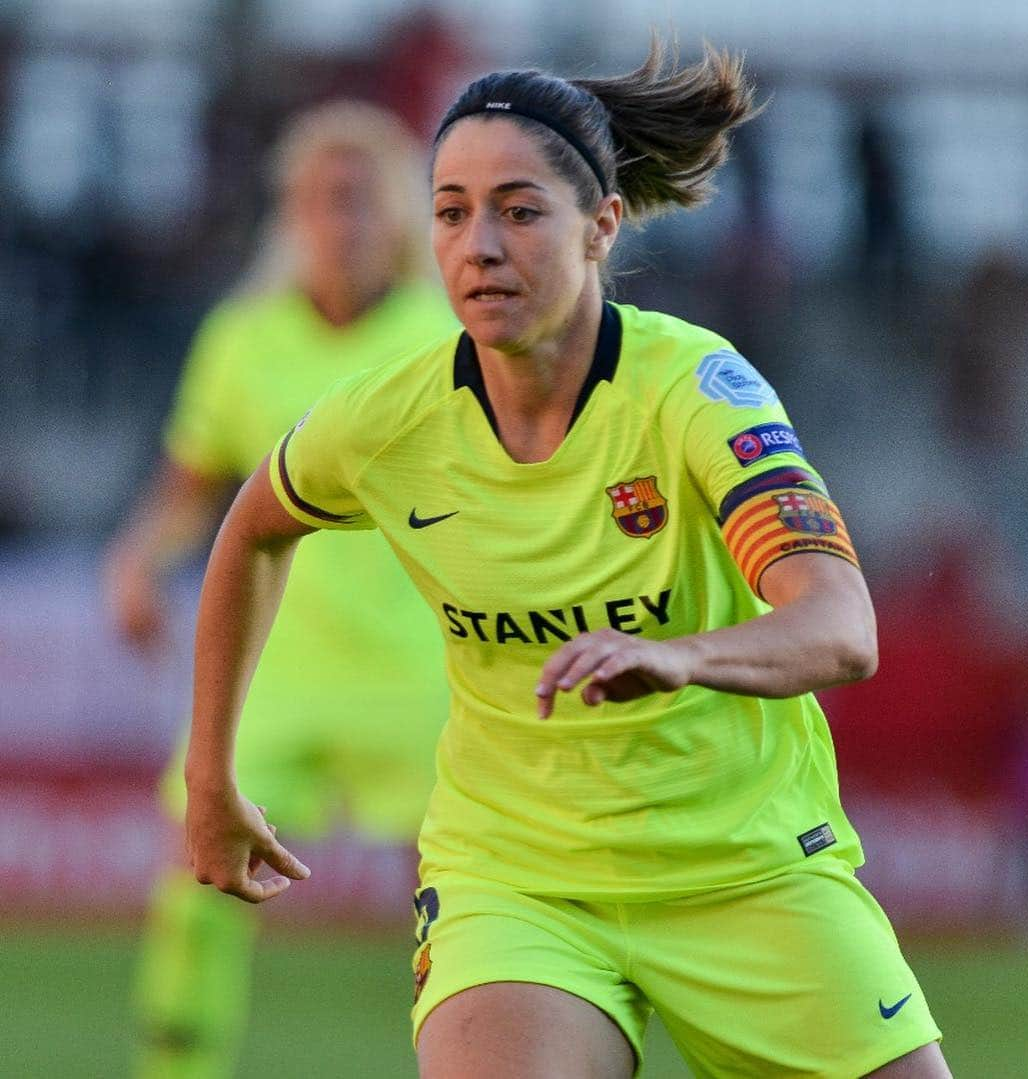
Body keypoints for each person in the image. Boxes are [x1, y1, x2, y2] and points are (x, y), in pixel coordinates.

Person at [183, 40, 952, 1079]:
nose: (479, 245)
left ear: (601, 227)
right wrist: (209, 773)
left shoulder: (697, 389)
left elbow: (841, 625)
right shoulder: (387, 417)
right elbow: (255, 526)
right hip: (519, 877)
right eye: (451, 212)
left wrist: (687, 656)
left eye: (519, 209)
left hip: (748, 867)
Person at [104, 100, 457, 1078]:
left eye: (353, 199)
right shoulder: (244, 337)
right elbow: (192, 479)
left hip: (420, 665)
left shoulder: (447, 338)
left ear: (394, 215)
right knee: (198, 882)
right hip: (273, 665)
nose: (331, 221)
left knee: (473, 900)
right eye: (310, 200)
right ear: (285, 215)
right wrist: (136, 559)